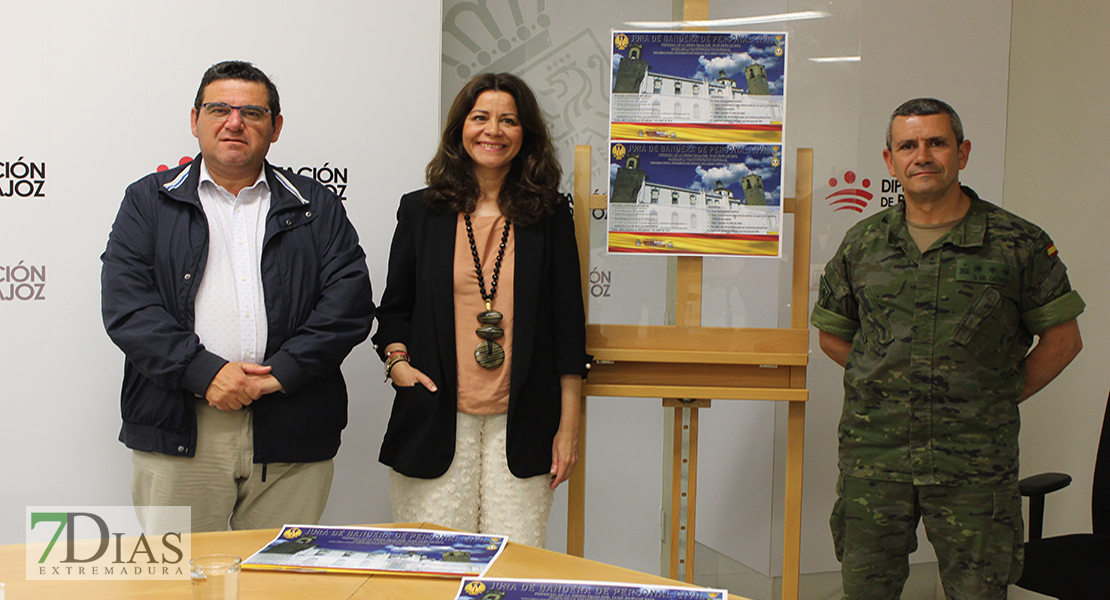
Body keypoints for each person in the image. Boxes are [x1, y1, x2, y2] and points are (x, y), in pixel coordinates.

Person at [812, 98, 1085, 599]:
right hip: (876, 459)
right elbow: (832, 332)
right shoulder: (863, 243)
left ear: (962, 152)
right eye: (907, 146)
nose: (922, 156)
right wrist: (885, 378)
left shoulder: (1017, 243)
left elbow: (1064, 339)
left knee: (978, 592)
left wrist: (996, 393)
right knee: (865, 592)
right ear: (890, 159)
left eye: (936, 142)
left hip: (974, 465)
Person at [101, 61, 374, 533]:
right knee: (181, 571)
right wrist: (205, 373)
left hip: (291, 424)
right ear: (195, 120)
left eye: (251, 112)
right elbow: (128, 307)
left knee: (278, 572)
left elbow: (348, 305)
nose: (234, 122)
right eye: (219, 109)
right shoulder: (148, 201)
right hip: (181, 424)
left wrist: (282, 373)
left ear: (276, 127)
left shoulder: (316, 204)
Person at [373, 72, 589, 548]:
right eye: (481, 118)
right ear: (460, 129)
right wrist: (398, 363)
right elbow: (395, 310)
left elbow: (568, 329)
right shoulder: (421, 211)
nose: (493, 130)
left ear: (526, 133)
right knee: (433, 562)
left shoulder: (550, 214)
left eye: (508, 120)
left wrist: (568, 427)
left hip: (525, 421)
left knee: (513, 563)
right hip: (433, 416)